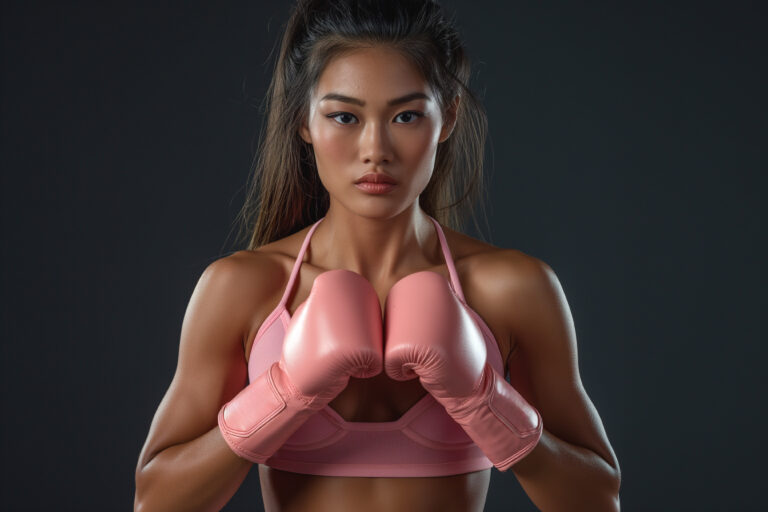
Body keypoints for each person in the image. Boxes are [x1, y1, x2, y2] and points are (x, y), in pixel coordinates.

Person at [133, 0, 621, 510]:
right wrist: (285, 394)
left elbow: (598, 498)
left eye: (406, 115)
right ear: (303, 120)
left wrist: (483, 401)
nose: (375, 149)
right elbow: (156, 500)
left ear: (448, 116)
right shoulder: (244, 288)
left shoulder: (512, 289)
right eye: (344, 116)